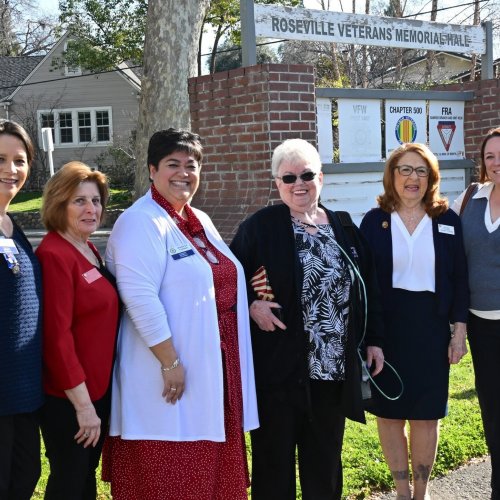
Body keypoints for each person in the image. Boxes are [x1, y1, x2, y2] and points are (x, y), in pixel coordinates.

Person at [101, 128, 258, 500]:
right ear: (152, 169)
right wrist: (170, 362)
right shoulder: (140, 222)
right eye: (173, 164)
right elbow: (139, 298)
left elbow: (222, 281)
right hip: (169, 376)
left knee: (212, 478)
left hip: (216, 373)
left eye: (191, 164)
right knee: (171, 477)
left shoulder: (198, 220)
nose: (183, 172)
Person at [230, 138, 385, 500]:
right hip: (277, 374)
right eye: (288, 178)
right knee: (273, 466)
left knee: (325, 467)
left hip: (331, 374)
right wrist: (253, 304)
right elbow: (229, 280)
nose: (299, 183)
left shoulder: (345, 229)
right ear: (277, 183)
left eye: (307, 174)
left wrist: (374, 339)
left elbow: (369, 291)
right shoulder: (261, 226)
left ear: (321, 177)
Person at [360, 143, 469, 500]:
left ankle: (420, 494)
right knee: (389, 415)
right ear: (392, 175)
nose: (413, 178)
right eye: (405, 170)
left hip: (430, 329)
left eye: (421, 171)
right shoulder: (374, 221)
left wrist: (459, 333)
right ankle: (402, 493)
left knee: (426, 415)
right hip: (386, 330)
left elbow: (460, 279)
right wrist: (370, 337)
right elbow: (366, 286)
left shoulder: (447, 220)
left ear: (431, 178)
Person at [35, 161, 120, 499]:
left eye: (96, 200)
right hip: (70, 399)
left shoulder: (87, 246)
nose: (91, 209)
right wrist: (83, 407)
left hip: (97, 391)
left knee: (84, 478)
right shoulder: (54, 254)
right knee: (69, 482)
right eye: (79, 201)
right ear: (59, 205)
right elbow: (57, 337)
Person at [452, 127, 500, 500]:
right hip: (481, 326)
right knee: (492, 410)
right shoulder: (470, 199)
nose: (497, 163)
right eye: (490, 157)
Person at [0, 120, 43, 499]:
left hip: (23, 390)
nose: (10, 170)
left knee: (25, 476)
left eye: (19, 160)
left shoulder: (13, 225)